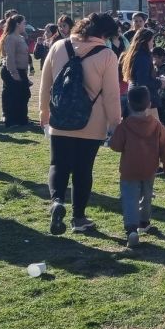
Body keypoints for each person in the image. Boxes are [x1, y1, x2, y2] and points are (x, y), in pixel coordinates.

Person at [39, 13, 122, 236]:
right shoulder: (107, 55)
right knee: (83, 169)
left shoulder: (58, 46)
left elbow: (46, 82)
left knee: (58, 163)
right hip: (91, 121)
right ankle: (79, 217)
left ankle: (57, 201)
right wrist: (116, 123)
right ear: (104, 34)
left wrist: (44, 111)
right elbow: (112, 95)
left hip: (60, 117)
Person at [108, 86, 165, 247]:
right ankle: (144, 222)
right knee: (146, 195)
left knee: (130, 198)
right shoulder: (157, 125)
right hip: (150, 168)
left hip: (129, 168)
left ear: (129, 104)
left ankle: (131, 228)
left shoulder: (125, 126)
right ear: (149, 104)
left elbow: (115, 146)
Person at [0, 15, 32, 127]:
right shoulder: (11, 38)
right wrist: (14, 73)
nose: (25, 25)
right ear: (17, 24)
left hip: (21, 71)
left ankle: (22, 119)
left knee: (24, 95)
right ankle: (11, 120)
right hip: (12, 71)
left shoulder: (20, 37)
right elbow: (10, 56)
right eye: (23, 23)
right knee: (13, 96)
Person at [120, 29, 161, 117]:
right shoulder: (142, 57)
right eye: (152, 40)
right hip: (144, 99)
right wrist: (159, 82)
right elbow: (143, 81)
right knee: (151, 129)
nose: (153, 43)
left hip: (135, 95)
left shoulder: (134, 54)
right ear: (145, 41)